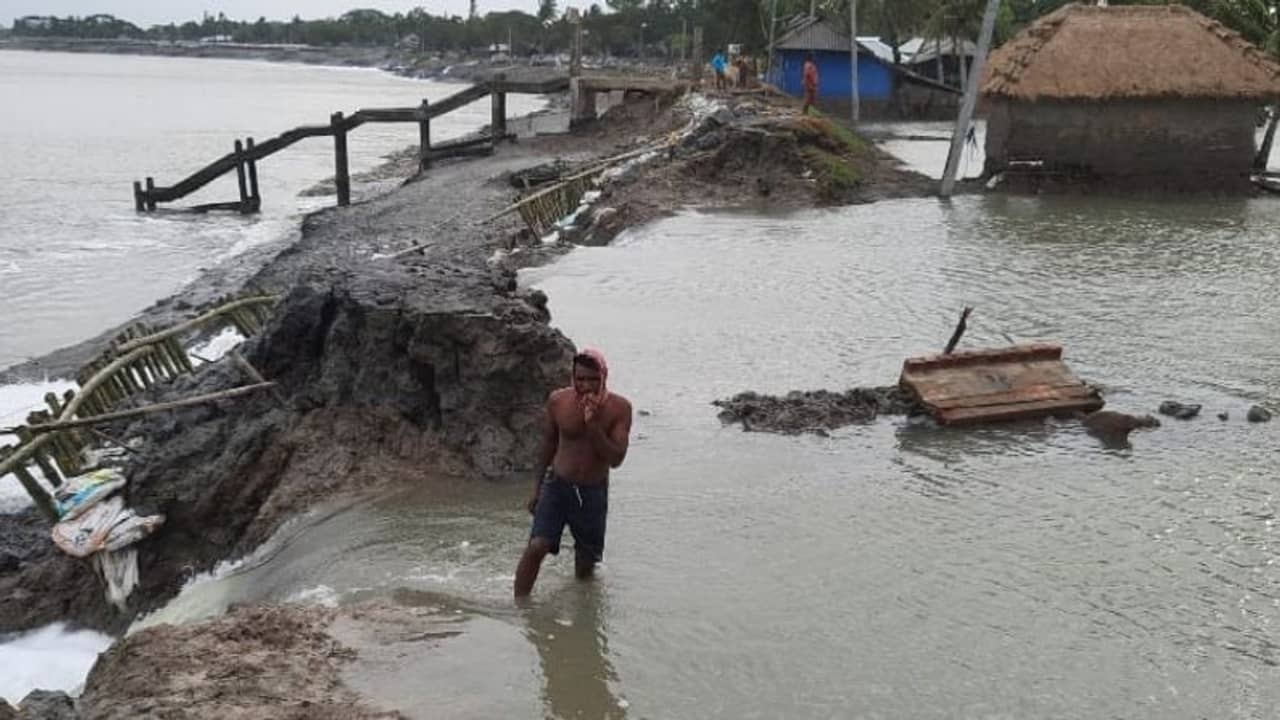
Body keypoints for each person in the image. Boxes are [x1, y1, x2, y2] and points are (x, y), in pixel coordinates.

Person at [515, 349, 633, 598]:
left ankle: (582, 618)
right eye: (580, 379)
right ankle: (519, 607)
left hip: (592, 492)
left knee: (585, 566)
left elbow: (616, 459)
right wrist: (536, 488)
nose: (586, 386)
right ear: (572, 377)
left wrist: (593, 425)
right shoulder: (558, 401)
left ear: (604, 377)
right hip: (558, 485)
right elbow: (549, 443)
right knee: (537, 546)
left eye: (593, 379)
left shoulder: (620, 408)